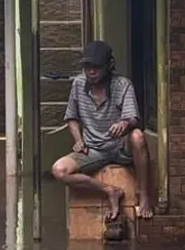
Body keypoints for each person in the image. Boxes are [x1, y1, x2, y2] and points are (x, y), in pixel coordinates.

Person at [51, 40, 156, 222]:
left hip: (120, 146)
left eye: (97, 67)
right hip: (93, 149)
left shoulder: (122, 85)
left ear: (109, 66)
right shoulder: (78, 84)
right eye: (87, 67)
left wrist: (123, 124)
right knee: (59, 170)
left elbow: (133, 118)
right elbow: (71, 118)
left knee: (138, 136)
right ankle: (110, 191)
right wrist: (78, 140)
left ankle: (144, 195)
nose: (92, 72)